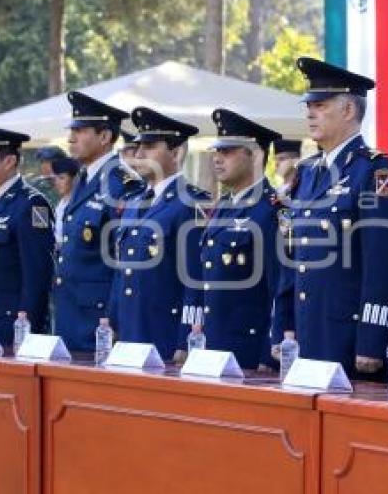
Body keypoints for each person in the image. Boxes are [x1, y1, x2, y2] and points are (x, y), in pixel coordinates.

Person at [271, 57, 388, 379]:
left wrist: (372, 341)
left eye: (319, 105)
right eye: (309, 105)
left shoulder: (375, 171)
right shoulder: (306, 172)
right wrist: (283, 326)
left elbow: (384, 265)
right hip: (307, 333)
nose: (309, 113)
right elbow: (292, 257)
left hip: (349, 338)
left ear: (348, 110)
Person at [111, 106, 210, 360]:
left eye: (150, 146)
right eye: (139, 146)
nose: (140, 153)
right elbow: (122, 270)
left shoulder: (190, 203)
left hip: (165, 336)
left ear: (175, 153)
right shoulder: (133, 202)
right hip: (130, 331)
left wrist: (186, 338)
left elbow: (195, 280)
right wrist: (111, 322)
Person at [188, 109, 283, 370]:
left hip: (249, 352)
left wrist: (268, 355)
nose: (217, 159)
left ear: (255, 156)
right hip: (215, 346)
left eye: (228, 151)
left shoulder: (271, 210)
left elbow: (279, 288)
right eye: (217, 152)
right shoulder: (224, 205)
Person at [54, 91, 143, 351]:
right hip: (71, 315)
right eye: (72, 130)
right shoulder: (84, 179)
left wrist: (113, 321)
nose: (71, 138)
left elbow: (123, 261)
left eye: (80, 131)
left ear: (104, 137)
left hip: (98, 321)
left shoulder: (120, 183)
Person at [0, 122, 54, 346]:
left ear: (9, 161)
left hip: (14, 334)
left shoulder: (32, 204)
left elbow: (38, 276)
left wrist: (25, 335)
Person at [49, 157, 80, 247]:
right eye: (55, 179)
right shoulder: (59, 204)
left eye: (62, 178)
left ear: (74, 179)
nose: (57, 183)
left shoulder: (78, 204)